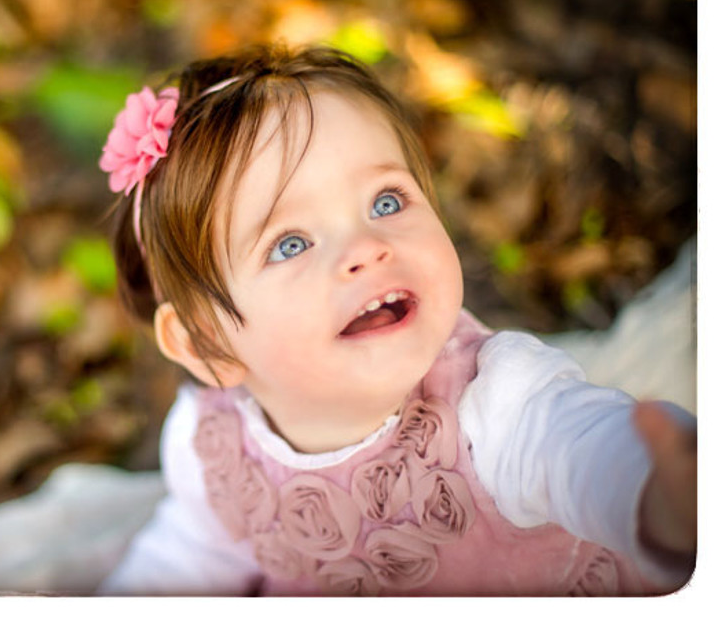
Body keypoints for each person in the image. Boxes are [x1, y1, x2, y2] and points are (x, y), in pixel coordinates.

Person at [93, 45, 696, 597]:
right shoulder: (212, 448)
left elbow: (584, 450)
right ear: (206, 344)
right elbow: (187, 560)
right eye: (291, 243)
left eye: (386, 202)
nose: (366, 246)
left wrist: (661, 493)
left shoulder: (498, 403)